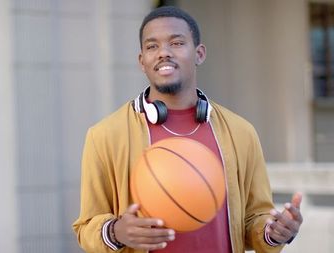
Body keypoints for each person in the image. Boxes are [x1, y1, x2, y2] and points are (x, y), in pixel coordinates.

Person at [72, 6, 303, 253]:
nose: (163, 53)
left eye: (177, 43)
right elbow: (86, 227)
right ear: (142, 61)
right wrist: (116, 231)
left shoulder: (241, 133)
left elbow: (253, 220)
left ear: (199, 53)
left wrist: (273, 232)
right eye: (152, 47)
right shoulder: (105, 136)